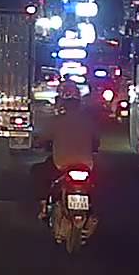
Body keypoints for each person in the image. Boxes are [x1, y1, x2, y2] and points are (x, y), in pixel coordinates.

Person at [31, 82, 99, 218]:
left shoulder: (56, 121)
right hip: (86, 165)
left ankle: (44, 207)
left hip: (61, 164)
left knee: (37, 171)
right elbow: (96, 141)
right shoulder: (89, 121)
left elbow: (42, 139)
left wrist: (37, 143)